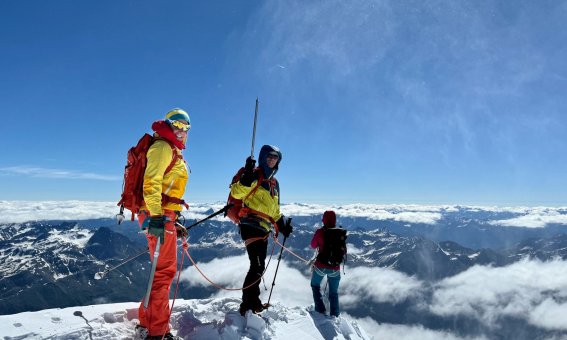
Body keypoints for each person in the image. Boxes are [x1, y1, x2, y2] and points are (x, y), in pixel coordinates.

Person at [136, 108, 191, 340]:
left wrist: (173, 218)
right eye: (177, 125)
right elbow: (151, 183)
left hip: (164, 215)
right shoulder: (162, 147)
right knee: (164, 273)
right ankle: (157, 331)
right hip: (157, 214)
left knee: (161, 272)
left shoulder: (171, 149)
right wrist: (158, 216)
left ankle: (149, 322)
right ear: (168, 125)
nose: (181, 131)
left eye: (186, 127)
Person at [229, 145, 293, 316]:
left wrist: (282, 223)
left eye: (276, 157)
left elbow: (274, 209)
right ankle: (247, 305)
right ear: (263, 157)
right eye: (269, 156)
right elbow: (236, 193)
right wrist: (246, 177)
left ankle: (253, 301)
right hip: (250, 224)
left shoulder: (274, 183)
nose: (272, 159)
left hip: (263, 227)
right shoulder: (255, 174)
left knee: (258, 266)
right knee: (257, 265)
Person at [310, 210, 343, 317]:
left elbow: (313, 245)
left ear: (324, 219)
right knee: (333, 293)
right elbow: (344, 251)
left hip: (321, 266)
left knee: (315, 285)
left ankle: (320, 310)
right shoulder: (340, 232)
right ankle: (335, 316)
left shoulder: (320, 232)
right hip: (335, 267)